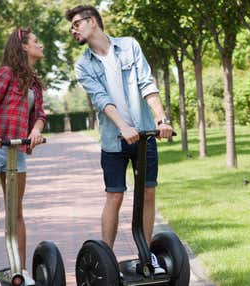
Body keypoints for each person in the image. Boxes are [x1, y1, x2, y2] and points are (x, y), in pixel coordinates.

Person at [66, 5, 174, 275]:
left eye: (77, 24)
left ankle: (147, 256)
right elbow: (102, 100)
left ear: (92, 22)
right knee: (114, 196)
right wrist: (124, 127)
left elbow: (147, 85)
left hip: (145, 135)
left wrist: (161, 119)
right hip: (114, 140)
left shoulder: (129, 47)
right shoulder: (83, 65)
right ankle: (105, 261)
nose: (73, 30)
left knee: (148, 194)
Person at [0, 28, 46, 286]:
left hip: (16, 150)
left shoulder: (34, 82)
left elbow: (40, 116)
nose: (41, 45)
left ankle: (20, 270)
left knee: (16, 213)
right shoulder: (6, 73)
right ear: (23, 46)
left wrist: (35, 130)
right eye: (36, 41)